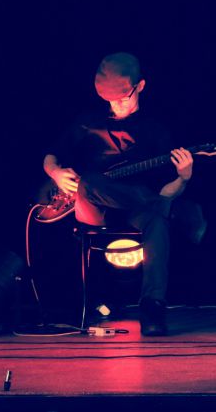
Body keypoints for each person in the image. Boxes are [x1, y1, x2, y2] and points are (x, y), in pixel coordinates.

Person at [43, 52, 193, 336]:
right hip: (93, 207)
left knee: (157, 221)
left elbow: (168, 190)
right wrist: (55, 173)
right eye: (111, 99)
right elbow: (51, 156)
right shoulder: (88, 122)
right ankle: (169, 210)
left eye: (124, 97)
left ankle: (152, 307)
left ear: (141, 86)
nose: (118, 104)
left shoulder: (156, 130)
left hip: (136, 209)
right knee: (89, 183)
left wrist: (183, 178)